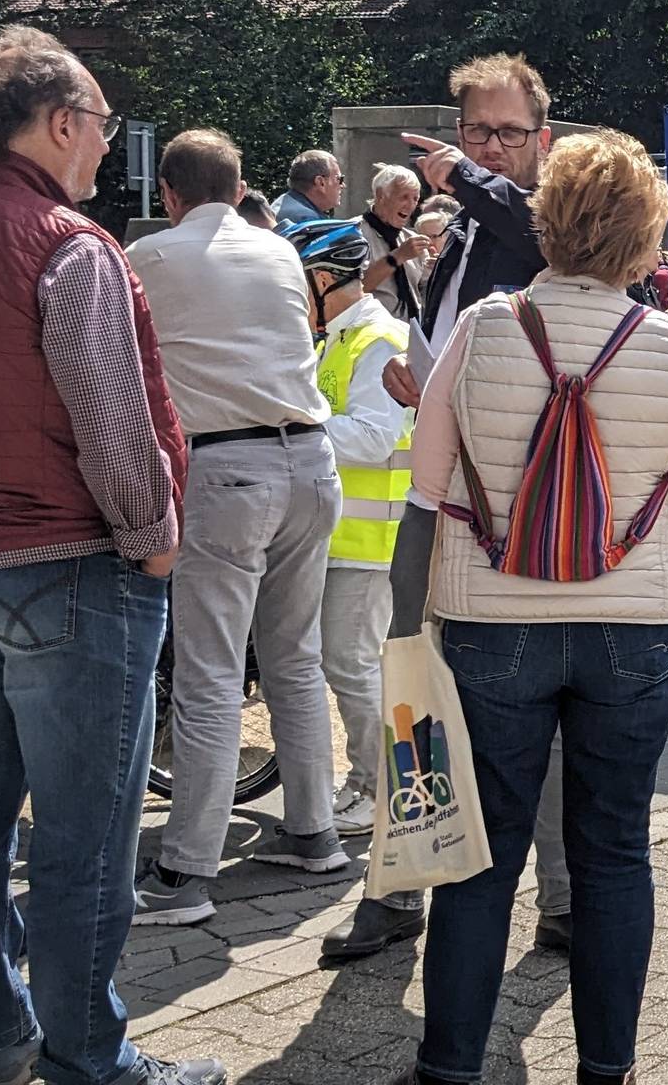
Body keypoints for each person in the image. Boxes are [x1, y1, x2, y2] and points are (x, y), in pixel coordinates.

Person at [0, 25, 216, 1085]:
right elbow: (112, 418)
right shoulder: (67, 242)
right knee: (87, 837)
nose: (104, 148)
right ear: (64, 123)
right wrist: (154, 537)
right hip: (72, 565)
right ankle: (93, 1057)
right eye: (102, 126)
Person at [390, 127, 668, 1085]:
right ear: (642, 236)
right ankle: (605, 1068)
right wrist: (636, 562)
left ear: (546, 221)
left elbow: (427, 477)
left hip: (494, 623)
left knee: (482, 857)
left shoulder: (485, 327)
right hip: (633, 630)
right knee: (614, 850)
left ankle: (450, 1065)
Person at [125, 129, 346, 927]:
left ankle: (186, 871)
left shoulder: (148, 258)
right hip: (312, 463)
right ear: (241, 184)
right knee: (295, 659)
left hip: (225, 470)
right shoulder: (280, 252)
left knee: (210, 674)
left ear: (168, 196)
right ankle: (314, 831)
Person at [384, 53, 576, 950]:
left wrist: (465, 175)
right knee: (412, 695)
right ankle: (403, 884)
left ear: (544, 140)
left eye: (507, 133)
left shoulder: (550, 225)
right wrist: (415, 375)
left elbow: (533, 233)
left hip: (515, 516)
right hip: (439, 499)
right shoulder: (458, 229)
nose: (490, 149)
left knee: (524, 715)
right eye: (474, 132)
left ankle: (563, 900)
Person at [277, 222, 435, 962]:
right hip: (343, 537)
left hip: (372, 541)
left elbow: (374, 437)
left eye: (300, 279)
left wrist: (298, 423)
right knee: (346, 666)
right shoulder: (338, 338)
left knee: (354, 665)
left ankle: (376, 790)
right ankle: (369, 784)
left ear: (328, 278)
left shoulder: (376, 339)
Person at [360, 162, 433, 321]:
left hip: (411, 335)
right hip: (372, 334)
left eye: (415, 198)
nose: (411, 205)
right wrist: (397, 257)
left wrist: (439, 270)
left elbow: (426, 293)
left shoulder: (411, 239)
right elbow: (353, 291)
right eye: (403, 197)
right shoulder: (355, 235)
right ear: (380, 196)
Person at [276, 148, 344, 226]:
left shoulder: (285, 203)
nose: (343, 185)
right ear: (320, 182)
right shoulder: (307, 222)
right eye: (339, 179)